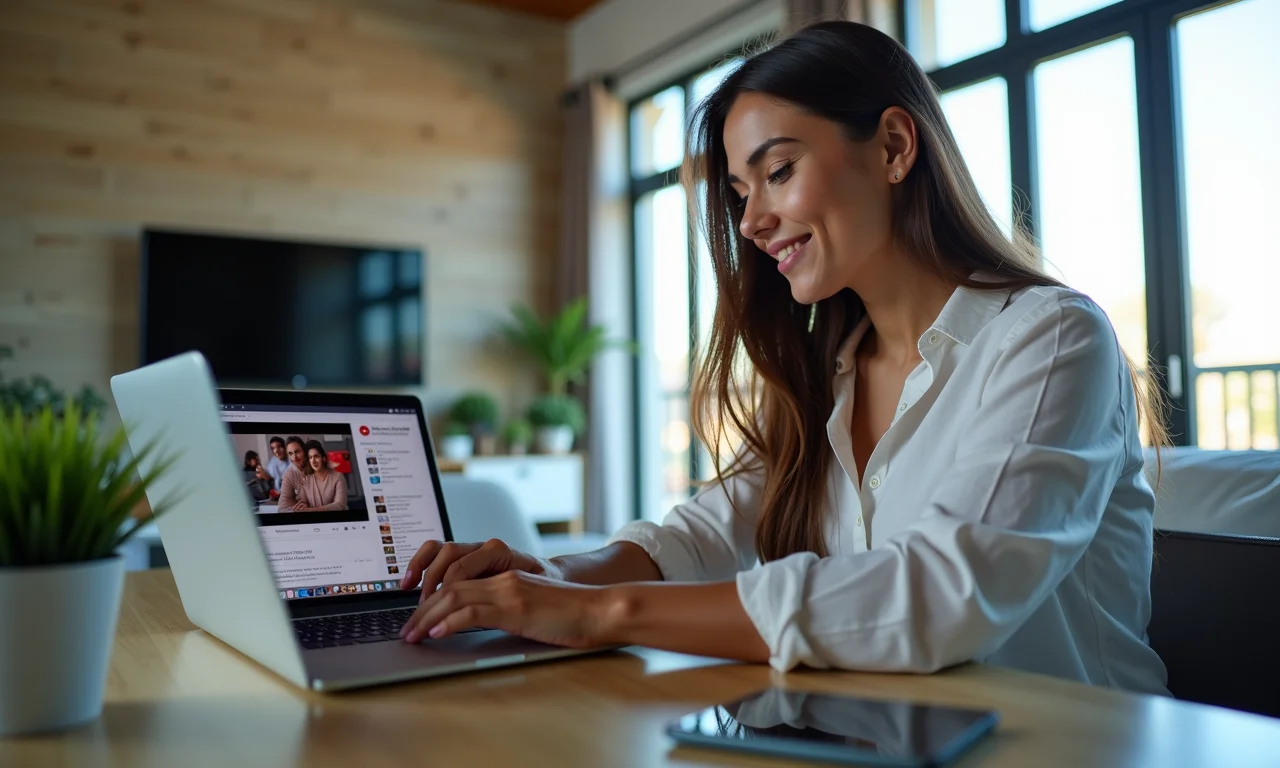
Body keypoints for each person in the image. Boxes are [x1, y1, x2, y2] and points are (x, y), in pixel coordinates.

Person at [395, 21, 1169, 695]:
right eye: (739, 191)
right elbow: (700, 537)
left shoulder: (1050, 337)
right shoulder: (827, 373)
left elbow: (938, 596)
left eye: (778, 171)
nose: (753, 221)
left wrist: (599, 613)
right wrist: (549, 577)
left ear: (895, 147)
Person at [292, 440, 348, 512]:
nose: (313, 460)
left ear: (323, 458)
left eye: (316, 456)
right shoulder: (306, 479)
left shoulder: (338, 477)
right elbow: (303, 500)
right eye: (310, 457)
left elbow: (340, 504)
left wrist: (312, 510)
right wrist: (302, 505)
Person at [277, 436, 309, 512]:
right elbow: (282, 508)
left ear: (304, 451)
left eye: (297, 451)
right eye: (290, 453)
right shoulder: (289, 473)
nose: (294, 457)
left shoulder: (315, 466)